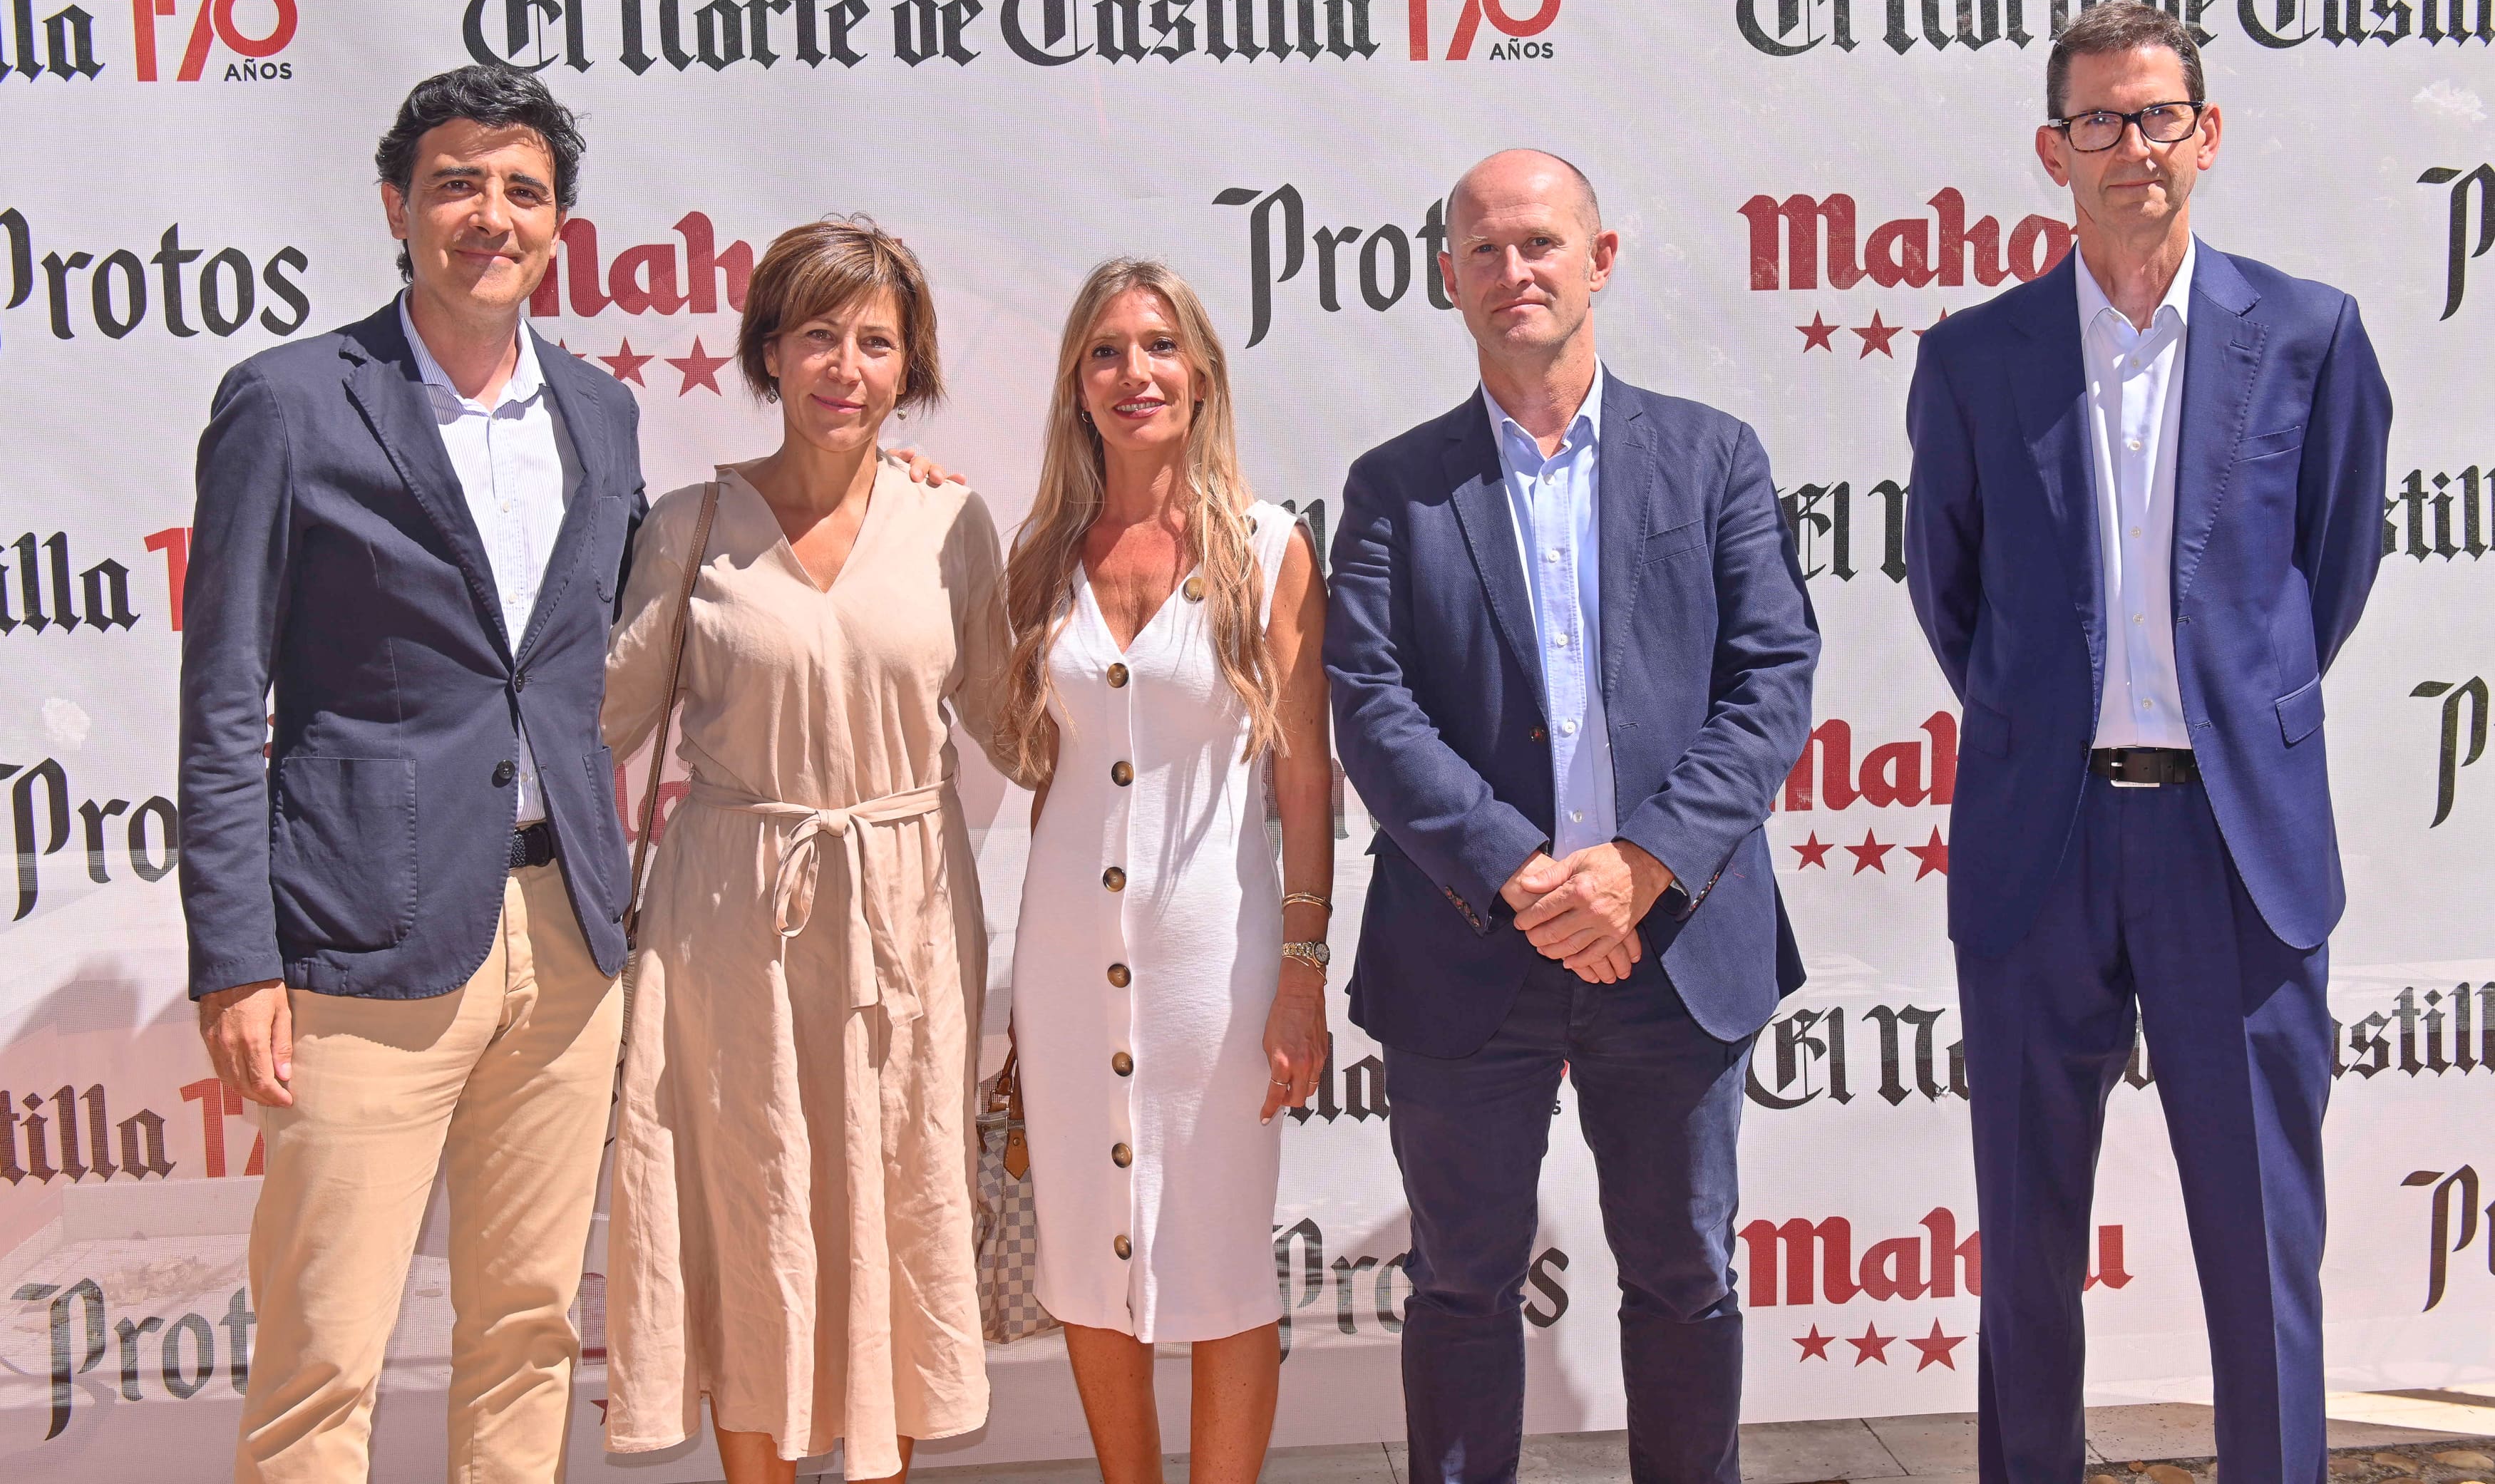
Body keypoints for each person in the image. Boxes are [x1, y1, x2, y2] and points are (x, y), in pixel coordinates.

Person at [1904, 0, 2392, 1483]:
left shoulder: (2307, 334)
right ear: (2053, 152)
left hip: (2229, 851)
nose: (2133, 147)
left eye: (2158, 115)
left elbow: (2329, 563)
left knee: (2261, 1255)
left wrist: (2230, 711)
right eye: (2100, 121)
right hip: (2039, 848)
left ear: (2208, 134)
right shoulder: (1975, 355)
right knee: (2029, 1259)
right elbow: (1952, 588)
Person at [1325, 150, 1818, 1484]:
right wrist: (1528, 877)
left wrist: (1644, 865)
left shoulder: (1712, 456)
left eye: (1541, 243)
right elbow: (1370, 703)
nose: (1514, 271)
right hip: (1466, 942)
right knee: (1461, 1284)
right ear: (1448, 278)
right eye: (1483, 250)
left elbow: (1773, 677)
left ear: (1601, 261)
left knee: (1683, 1278)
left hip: (1674, 946)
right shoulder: (1395, 485)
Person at [178, 66, 642, 1482]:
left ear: (559, 224)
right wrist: (235, 958)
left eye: (521, 191)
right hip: (355, 942)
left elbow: (576, 665)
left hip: (565, 942)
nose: (487, 215)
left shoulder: (602, 412)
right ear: (398, 205)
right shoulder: (290, 402)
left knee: (526, 1331)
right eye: (456, 183)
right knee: (325, 1355)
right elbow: (219, 704)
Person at [600, 217, 1016, 1484]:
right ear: (768, 353)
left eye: (877, 341)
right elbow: (601, 717)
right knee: (747, 1211)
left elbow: (1020, 720)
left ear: (911, 368)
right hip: (729, 921)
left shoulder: (953, 524)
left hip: (907, 916)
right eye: (819, 335)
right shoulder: (689, 524)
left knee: (890, 1201)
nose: (847, 364)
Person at [999, 258, 1332, 1484]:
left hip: (1219, 963)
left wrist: (1303, 970)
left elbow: (1306, 783)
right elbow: (1036, 772)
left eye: (1157, 346)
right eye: (1104, 350)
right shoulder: (1039, 555)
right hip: (1065, 964)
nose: (1132, 372)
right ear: (1076, 386)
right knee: (1090, 1256)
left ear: (1200, 375)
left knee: (1225, 1262)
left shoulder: (1266, 547)